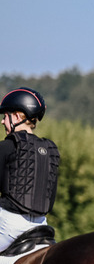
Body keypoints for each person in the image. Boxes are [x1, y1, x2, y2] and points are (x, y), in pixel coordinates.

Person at [0, 88, 60, 252]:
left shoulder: (6, 146)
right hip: (42, 227)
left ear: (17, 117)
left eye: (5, 116)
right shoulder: (51, 150)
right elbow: (51, 198)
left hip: (8, 227)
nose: (3, 122)